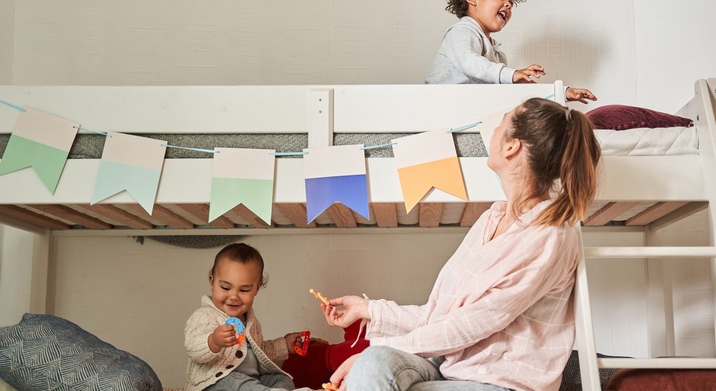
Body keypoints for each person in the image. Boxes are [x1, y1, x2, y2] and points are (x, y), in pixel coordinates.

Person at [321, 97, 601, 390]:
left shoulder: (548, 235)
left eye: (500, 123)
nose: (491, 131)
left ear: (511, 146)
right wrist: (369, 309)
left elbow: (473, 324)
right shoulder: (490, 220)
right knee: (375, 363)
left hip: (499, 383)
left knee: (371, 363)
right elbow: (440, 317)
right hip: (451, 371)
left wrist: (371, 351)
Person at [425, 0, 595, 104]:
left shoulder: (497, 54)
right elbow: (471, 64)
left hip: (468, 112)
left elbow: (510, 91)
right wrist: (512, 74)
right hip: (440, 111)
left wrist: (560, 92)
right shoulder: (462, 31)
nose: (508, 4)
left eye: (511, 2)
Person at [184, 242, 311, 391]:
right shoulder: (204, 316)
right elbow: (192, 349)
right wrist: (213, 341)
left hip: (251, 381)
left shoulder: (251, 321)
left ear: (256, 289)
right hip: (214, 383)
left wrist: (284, 344)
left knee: (282, 378)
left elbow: (261, 351)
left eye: (244, 290)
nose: (233, 296)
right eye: (225, 287)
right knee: (235, 381)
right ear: (212, 282)